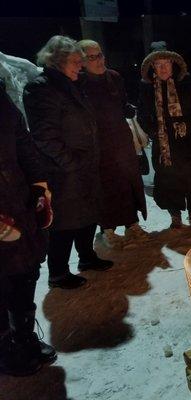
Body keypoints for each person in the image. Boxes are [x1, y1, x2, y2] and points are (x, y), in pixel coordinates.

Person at [23, 35, 113, 290]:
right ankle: (58, 273)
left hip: (83, 165)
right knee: (64, 223)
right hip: (64, 170)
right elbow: (43, 136)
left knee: (87, 214)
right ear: (59, 61)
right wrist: (71, 161)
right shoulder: (41, 88)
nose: (80, 66)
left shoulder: (71, 83)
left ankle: (87, 257)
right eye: (75, 61)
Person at [0, 78, 56, 376]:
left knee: (25, 273)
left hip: (18, 205)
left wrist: (39, 187)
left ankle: (23, 336)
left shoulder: (1, 100)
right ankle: (7, 348)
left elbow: (24, 144)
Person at [78, 39, 148, 248]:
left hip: (120, 139)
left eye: (99, 54)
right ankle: (107, 228)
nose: (98, 60)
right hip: (98, 143)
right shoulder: (79, 83)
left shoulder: (114, 77)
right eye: (92, 57)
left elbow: (121, 102)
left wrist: (127, 108)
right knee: (106, 185)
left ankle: (131, 223)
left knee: (128, 182)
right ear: (82, 61)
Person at [137, 48, 191, 228]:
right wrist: (154, 131)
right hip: (164, 144)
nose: (163, 68)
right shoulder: (147, 88)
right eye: (158, 64)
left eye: (166, 63)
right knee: (168, 181)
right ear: (152, 67)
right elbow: (143, 115)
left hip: (188, 140)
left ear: (173, 64)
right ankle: (175, 217)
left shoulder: (186, 82)